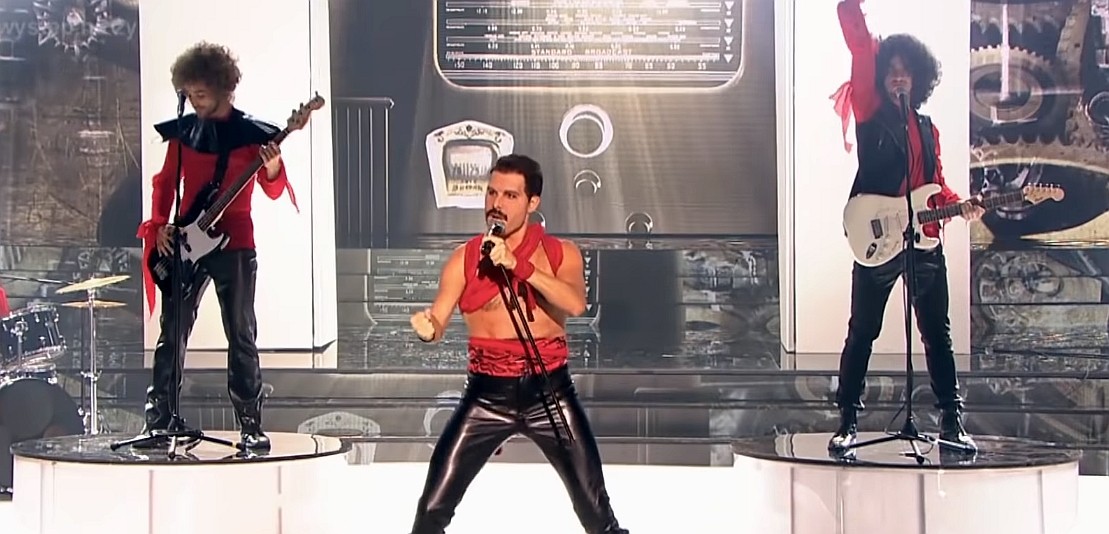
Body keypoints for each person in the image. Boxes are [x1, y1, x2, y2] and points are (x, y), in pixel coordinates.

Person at [407, 154, 628, 534]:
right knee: (431, 510)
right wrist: (428, 328)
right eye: (492, 193)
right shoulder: (464, 259)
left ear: (532, 202)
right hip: (486, 397)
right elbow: (438, 318)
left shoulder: (560, 253)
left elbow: (575, 304)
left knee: (596, 511)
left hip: (550, 393)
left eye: (510, 195)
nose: (497, 204)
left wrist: (518, 265)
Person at [828, 0, 983, 453]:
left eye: (906, 71)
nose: (898, 77)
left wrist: (960, 206)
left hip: (923, 242)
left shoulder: (928, 129)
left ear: (918, 78)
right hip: (878, 239)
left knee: (938, 334)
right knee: (863, 332)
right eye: (891, 70)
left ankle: (952, 422)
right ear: (881, 77)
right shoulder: (869, 110)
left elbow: (936, 187)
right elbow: (859, 42)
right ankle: (848, 420)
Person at [133, 41, 297, 451]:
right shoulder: (184, 133)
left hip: (235, 242)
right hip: (186, 240)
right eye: (188, 94)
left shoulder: (253, 135)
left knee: (241, 333)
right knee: (172, 333)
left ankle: (250, 425)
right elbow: (164, 183)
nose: (194, 102)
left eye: (201, 94)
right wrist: (160, 224)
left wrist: (273, 166)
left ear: (224, 89)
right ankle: (160, 421)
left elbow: (273, 190)